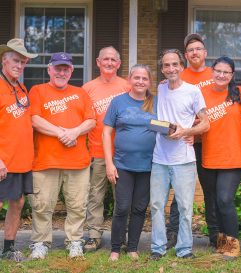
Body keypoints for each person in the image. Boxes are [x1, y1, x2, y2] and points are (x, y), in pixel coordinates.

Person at [28, 52, 96, 259]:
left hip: (77, 162)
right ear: (49, 69)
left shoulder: (80, 93)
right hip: (45, 161)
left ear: (71, 71)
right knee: (41, 205)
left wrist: (74, 132)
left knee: (77, 205)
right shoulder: (37, 91)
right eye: (57, 68)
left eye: (65, 68)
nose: (61, 72)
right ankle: (40, 243)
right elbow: (34, 119)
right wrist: (62, 133)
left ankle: (74, 241)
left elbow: (91, 121)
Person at [149, 49, 210, 260]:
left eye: (175, 64)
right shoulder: (161, 88)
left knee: (185, 207)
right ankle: (158, 247)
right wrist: (161, 127)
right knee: (157, 205)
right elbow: (157, 118)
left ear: (181, 66)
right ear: (163, 69)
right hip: (160, 159)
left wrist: (186, 131)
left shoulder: (193, 91)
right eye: (166, 65)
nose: (171, 68)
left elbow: (206, 123)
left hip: (184, 159)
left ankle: (184, 249)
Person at [166, 33, 218, 250]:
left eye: (199, 48)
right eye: (190, 50)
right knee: (180, 191)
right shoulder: (179, 75)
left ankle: (215, 235)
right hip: (186, 141)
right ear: (185, 56)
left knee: (210, 190)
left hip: (211, 140)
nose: (195, 52)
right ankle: (173, 233)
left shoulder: (216, 74)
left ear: (205, 53)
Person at [103, 64, 157, 261]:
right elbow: (107, 132)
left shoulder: (156, 103)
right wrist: (109, 163)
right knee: (123, 207)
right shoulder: (118, 102)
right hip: (122, 165)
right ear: (129, 79)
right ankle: (116, 248)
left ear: (149, 82)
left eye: (144, 78)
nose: (140, 81)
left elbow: (168, 127)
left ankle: (132, 247)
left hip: (148, 166)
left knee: (140, 208)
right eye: (137, 78)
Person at [201, 56, 241, 259]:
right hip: (209, 156)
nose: (221, 75)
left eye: (226, 72)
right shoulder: (201, 94)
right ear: (212, 71)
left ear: (232, 75)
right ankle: (221, 243)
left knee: (224, 199)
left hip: (233, 157)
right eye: (218, 71)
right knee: (213, 202)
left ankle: (233, 245)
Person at [82, 46, 130, 252]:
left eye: (113, 59)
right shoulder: (88, 88)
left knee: (123, 197)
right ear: (98, 62)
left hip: (123, 152)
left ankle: (122, 237)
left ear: (119, 64)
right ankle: (93, 235)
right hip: (97, 151)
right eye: (105, 59)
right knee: (95, 195)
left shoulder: (128, 86)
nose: (109, 63)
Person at [0, 38, 37, 262]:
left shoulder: (21, 87)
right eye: (16, 60)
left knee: (18, 202)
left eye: (23, 62)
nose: (20, 66)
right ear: (4, 60)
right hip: (3, 159)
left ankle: (8, 248)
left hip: (21, 160)